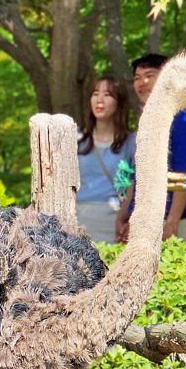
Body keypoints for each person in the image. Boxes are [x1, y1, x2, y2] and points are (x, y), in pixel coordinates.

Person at [115, 52, 186, 241]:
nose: (142, 82)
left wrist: (171, 222)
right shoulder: (146, 123)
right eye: (137, 78)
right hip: (141, 223)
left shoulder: (182, 122)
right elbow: (138, 177)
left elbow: (184, 177)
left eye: (149, 76)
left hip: (169, 224)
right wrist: (124, 215)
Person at [75, 73, 136, 243]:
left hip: (113, 219)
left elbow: (133, 185)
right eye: (95, 93)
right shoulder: (76, 138)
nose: (99, 99)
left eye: (107, 95)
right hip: (77, 218)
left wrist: (125, 217)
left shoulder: (131, 142)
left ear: (119, 103)